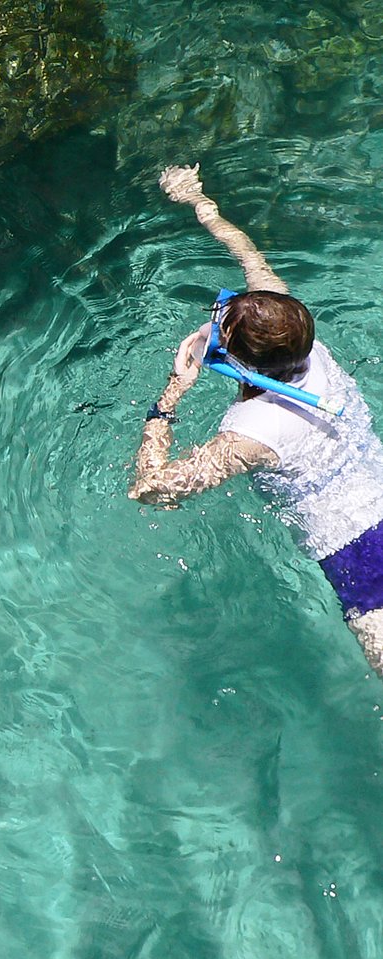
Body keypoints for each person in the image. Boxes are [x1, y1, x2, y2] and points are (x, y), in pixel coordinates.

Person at [130, 163, 383, 674]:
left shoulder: (251, 434)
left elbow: (153, 489)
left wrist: (170, 397)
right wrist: (201, 204)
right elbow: (249, 256)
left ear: (239, 362)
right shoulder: (296, 334)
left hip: (354, 552)